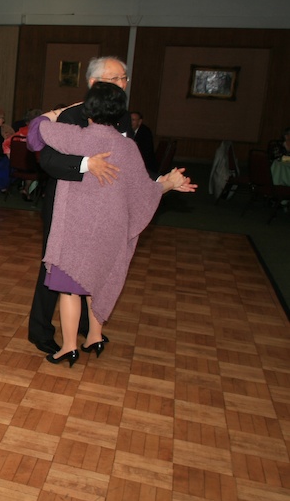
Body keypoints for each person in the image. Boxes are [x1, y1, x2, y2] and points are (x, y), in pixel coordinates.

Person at [27, 82, 196, 366]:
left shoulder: (77, 137)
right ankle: (94, 336)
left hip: (76, 228)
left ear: (88, 110)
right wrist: (168, 184)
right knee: (98, 282)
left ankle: (68, 347)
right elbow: (144, 187)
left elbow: (36, 129)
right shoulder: (127, 146)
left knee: (69, 288)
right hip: (111, 229)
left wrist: (55, 113)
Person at [26, 56, 130, 355]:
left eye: (124, 78)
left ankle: (87, 329)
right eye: (117, 78)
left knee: (94, 266)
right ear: (95, 83)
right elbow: (48, 161)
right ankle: (41, 331)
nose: (123, 84)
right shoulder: (72, 115)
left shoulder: (121, 117)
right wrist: (86, 164)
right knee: (55, 269)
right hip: (66, 206)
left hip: (103, 208)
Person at [129, 110, 158, 176]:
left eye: (133, 120)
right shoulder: (128, 130)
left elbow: (145, 152)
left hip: (146, 165)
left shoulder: (145, 132)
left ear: (139, 122)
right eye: (129, 120)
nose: (130, 122)